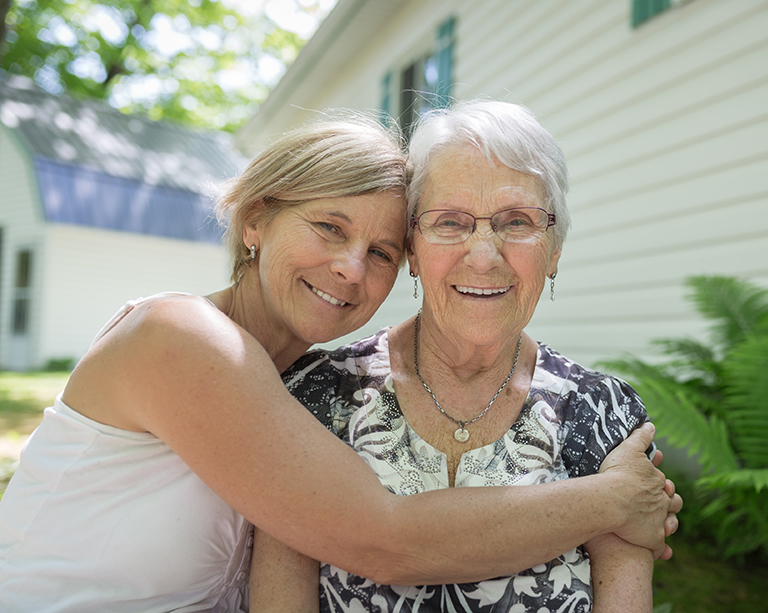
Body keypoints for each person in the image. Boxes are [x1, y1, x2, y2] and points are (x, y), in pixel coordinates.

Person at [0, 113, 678, 613]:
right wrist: (616, 499)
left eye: (380, 251)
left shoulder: (287, 381)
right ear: (257, 219)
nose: (351, 269)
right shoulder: (183, 337)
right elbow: (384, 539)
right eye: (328, 227)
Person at [254, 100, 671, 613]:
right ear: (413, 247)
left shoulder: (600, 414)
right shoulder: (318, 395)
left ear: (554, 249)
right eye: (450, 221)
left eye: (517, 221)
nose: (482, 254)